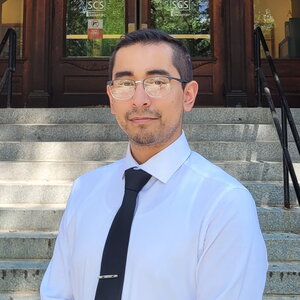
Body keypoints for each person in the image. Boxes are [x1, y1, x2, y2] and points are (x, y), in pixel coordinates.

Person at [40, 29, 268, 300]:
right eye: (125, 84)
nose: (139, 100)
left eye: (157, 82)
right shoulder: (84, 190)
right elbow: (57, 292)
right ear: (112, 98)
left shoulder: (224, 202)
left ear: (188, 95)